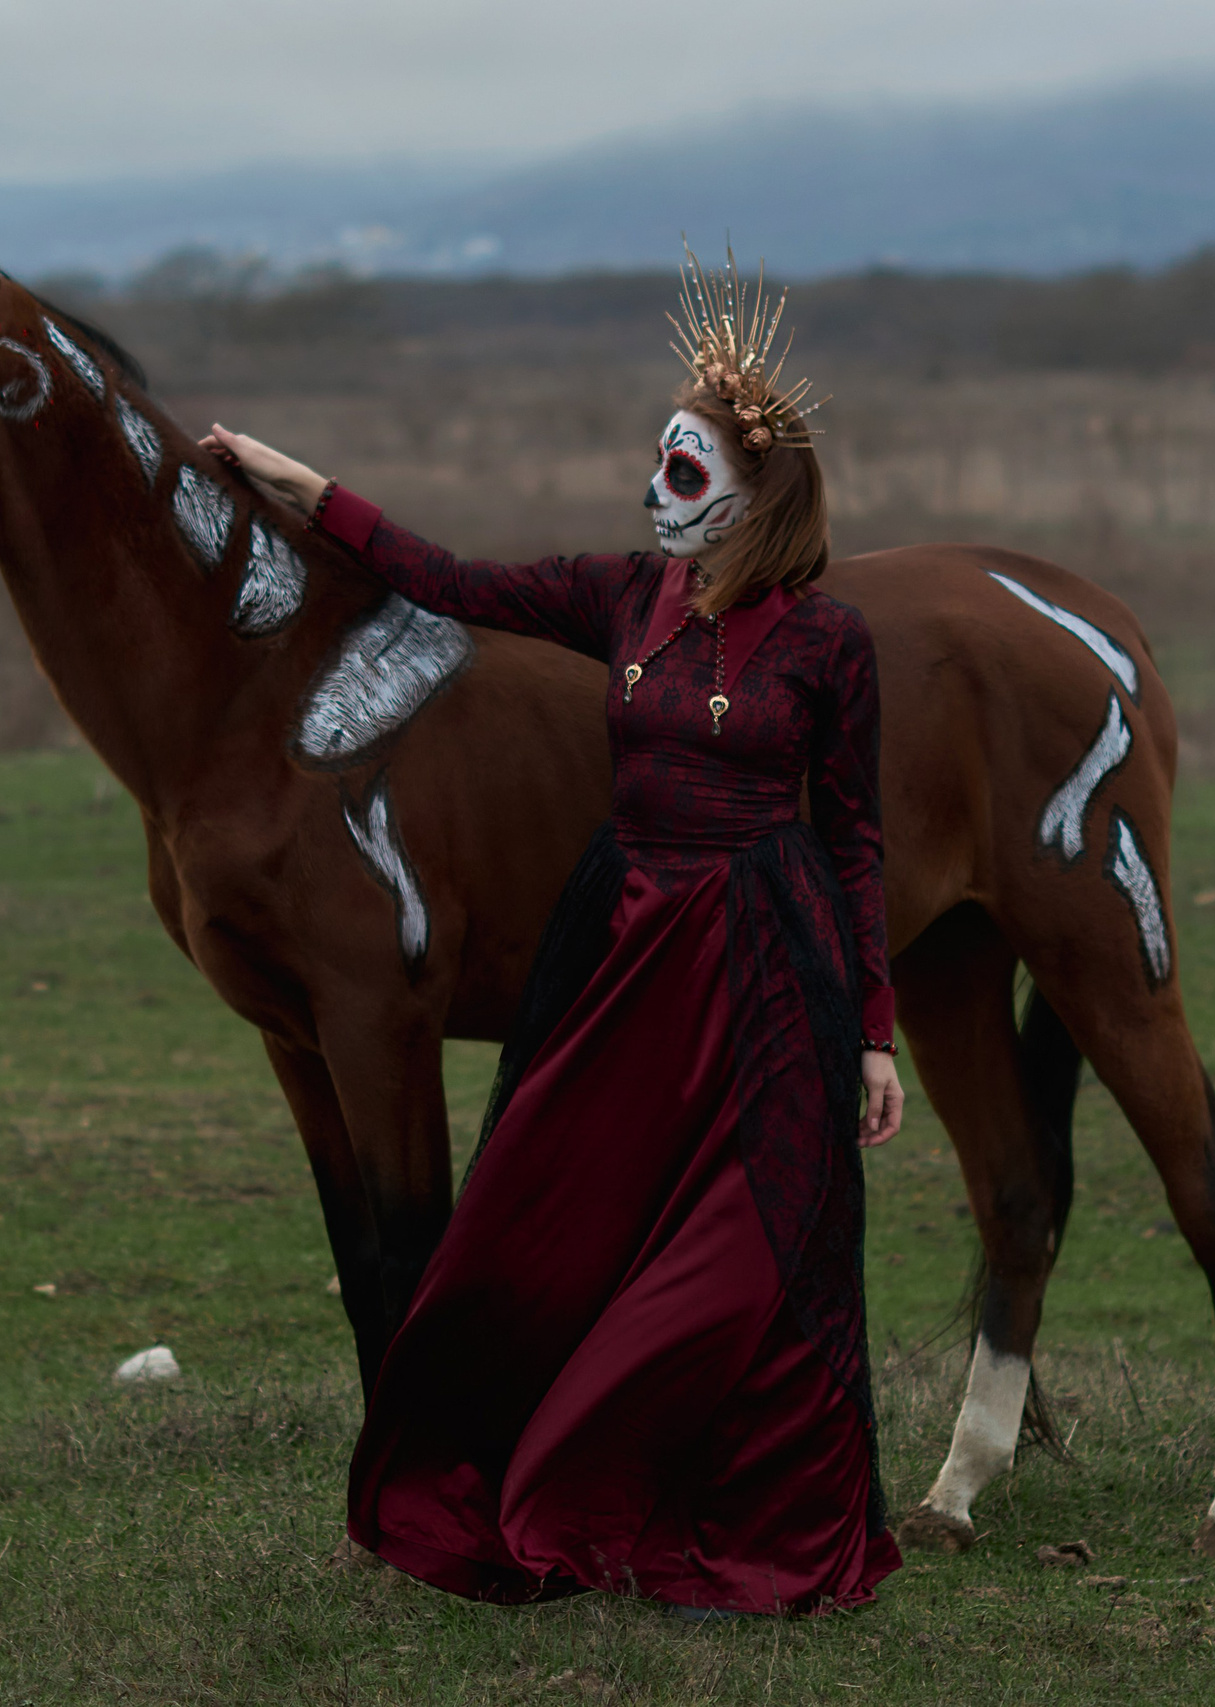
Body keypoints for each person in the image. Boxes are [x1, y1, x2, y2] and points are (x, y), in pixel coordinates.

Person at [204, 249, 904, 1616]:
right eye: (658, 463)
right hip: (628, 945)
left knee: (750, 1251)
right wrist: (304, 488)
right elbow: (445, 578)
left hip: (768, 962)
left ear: (758, 499)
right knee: (547, 1213)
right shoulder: (615, 597)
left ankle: (735, 1513)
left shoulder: (829, 644)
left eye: (687, 475)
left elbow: (856, 840)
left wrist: (873, 1033)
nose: (655, 492)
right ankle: (530, 1480)